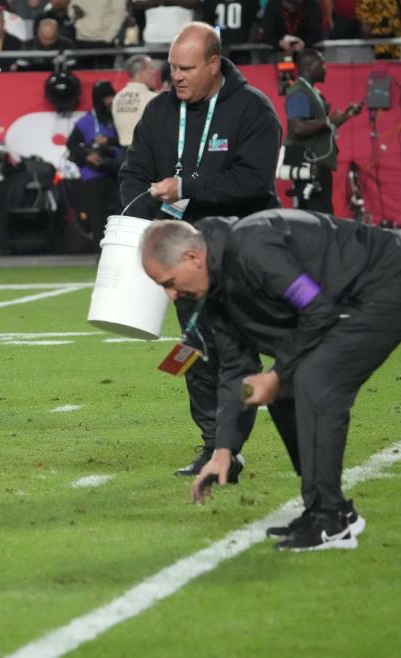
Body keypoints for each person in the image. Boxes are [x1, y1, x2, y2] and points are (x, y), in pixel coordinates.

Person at [140, 212, 401, 550]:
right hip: (354, 299)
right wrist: (224, 450)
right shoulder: (213, 289)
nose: (171, 295)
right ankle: (328, 509)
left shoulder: (253, 249)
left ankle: (329, 519)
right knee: (285, 391)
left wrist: (277, 374)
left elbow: (316, 309)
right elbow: (236, 373)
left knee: (312, 380)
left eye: (168, 281)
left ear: (191, 257)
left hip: (391, 287)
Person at [119, 22, 281, 478]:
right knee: (195, 352)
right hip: (183, 260)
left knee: (239, 355)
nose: (177, 78)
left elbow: (254, 181)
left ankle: (234, 445)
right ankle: (215, 447)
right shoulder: (159, 111)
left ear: (214, 64)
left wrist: (187, 186)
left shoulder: (252, 110)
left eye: (187, 68)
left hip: (241, 253)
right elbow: (134, 172)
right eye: (171, 67)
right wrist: (138, 225)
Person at [283, 49, 362, 214]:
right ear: (309, 65)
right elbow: (297, 127)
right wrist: (328, 120)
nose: (325, 68)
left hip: (315, 163)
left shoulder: (312, 92)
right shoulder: (299, 91)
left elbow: (322, 128)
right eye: (322, 64)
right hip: (309, 164)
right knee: (319, 215)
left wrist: (347, 115)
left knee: (315, 215)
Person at [66, 81, 122, 247]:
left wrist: (109, 141)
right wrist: (87, 155)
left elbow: (130, 140)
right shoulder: (86, 121)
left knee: (119, 217)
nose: (110, 101)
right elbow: (72, 145)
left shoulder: (120, 119)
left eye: (112, 96)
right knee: (98, 219)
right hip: (94, 176)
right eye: (106, 98)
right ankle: (101, 254)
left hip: (118, 172)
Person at [112, 54, 158, 147]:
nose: (155, 72)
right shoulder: (153, 98)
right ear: (142, 73)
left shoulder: (117, 97)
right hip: (146, 155)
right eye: (151, 68)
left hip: (124, 156)